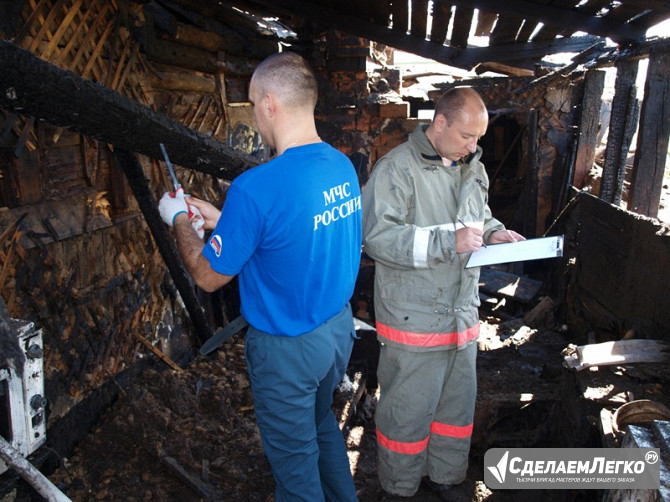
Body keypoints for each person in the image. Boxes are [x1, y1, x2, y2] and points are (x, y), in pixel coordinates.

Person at [158, 51, 362, 502]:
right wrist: (225, 220)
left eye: (252, 103)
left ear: (269, 103)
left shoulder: (257, 187)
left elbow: (208, 276)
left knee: (294, 471)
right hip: (335, 334)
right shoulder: (341, 166)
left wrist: (177, 219)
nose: (254, 113)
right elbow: (291, 237)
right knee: (321, 425)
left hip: (287, 350)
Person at [361, 87, 524, 500]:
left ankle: (446, 478)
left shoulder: (474, 168)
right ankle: (400, 488)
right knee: (407, 416)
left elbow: (478, 218)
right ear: (439, 123)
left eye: (479, 139)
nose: (474, 146)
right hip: (414, 319)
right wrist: (446, 242)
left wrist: (493, 232)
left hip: (461, 315)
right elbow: (377, 238)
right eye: (467, 136)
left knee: (455, 410)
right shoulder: (397, 169)